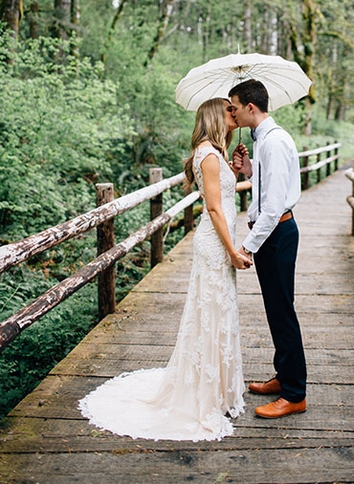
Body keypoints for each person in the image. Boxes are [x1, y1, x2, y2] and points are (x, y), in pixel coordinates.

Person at [79, 98, 251, 442]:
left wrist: (237, 168)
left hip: (220, 241)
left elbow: (225, 195)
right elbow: (215, 209)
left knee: (219, 310)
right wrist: (233, 250)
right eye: (230, 111)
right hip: (217, 244)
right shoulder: (208, 155)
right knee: (213, 310)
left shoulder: (213, 154)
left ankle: (216, 388)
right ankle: (206, 394)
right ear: (217, 117)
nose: (235, 114)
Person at [229, 79, 307, 419]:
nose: (230, 113)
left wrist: (246, 246)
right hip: (272, 232)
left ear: (250, 107)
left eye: (233, 107)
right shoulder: (265, 143)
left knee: (282, 311)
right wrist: (248, 170)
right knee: (276, 309)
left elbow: (273, 207)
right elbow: (267, 188)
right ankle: (283, 376)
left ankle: (294, 394)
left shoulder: (273, 143)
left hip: (277, 233)